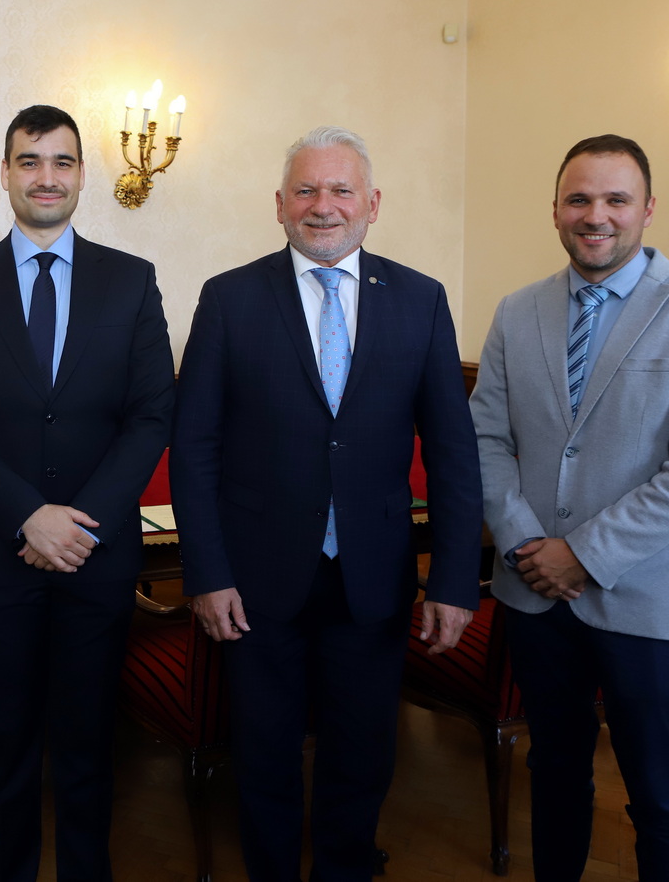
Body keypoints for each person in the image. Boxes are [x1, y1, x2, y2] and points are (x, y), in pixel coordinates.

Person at [170, 126, 484, 881]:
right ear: (279, 205)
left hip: (372, 582)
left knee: (362, 752)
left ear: (372, 203)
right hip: (257, 583)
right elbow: (195, 448)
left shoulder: (420, 299)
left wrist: (451, 578)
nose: (323, 205)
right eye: (306, 189)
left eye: (341, 189)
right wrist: (207, 573)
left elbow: (451, 451)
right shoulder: (229, 298)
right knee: (266, 754)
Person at [469, 134, 669, 882]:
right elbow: (486, 439)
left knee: (660, 795)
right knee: (554, 774)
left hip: (648, 598)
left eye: (615, 199)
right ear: (556, 211)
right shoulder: (517, 310)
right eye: (579, 199)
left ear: (648, 209)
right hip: (534, 595)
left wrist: (583, 552)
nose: (596, 215)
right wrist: (529, 544)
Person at [0, 104, 175, 881]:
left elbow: (152, 411)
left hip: (96, 561)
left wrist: (81, 524)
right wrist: (27, 514)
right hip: (1, 557)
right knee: (5, 749)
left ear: (81, 176)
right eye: (29, 161)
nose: (46, 177)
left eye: (61, 162)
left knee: (89, 747)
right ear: (4, 174)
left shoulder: (131, 282)